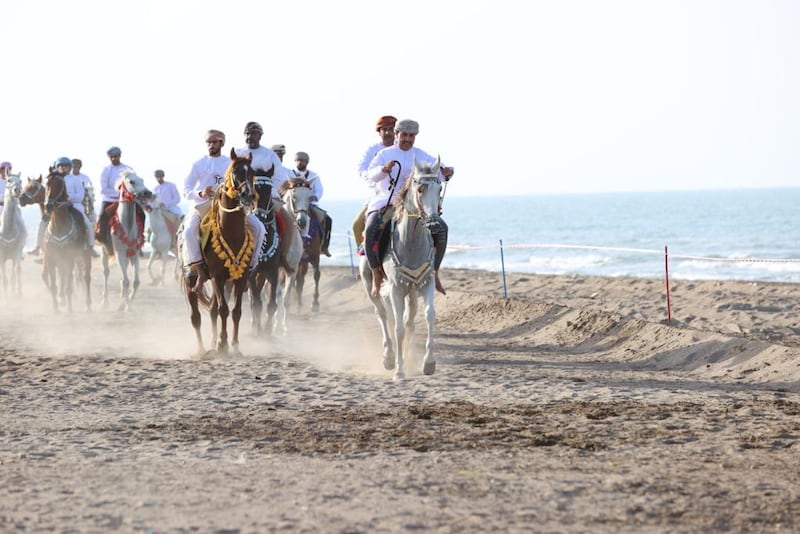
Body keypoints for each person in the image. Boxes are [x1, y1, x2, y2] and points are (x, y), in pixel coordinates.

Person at [365, 118, 454, 297]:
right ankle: (376, 273)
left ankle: (435, 272)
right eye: (404, 135)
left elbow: (439, 170)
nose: (407, 139)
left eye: (411, 136)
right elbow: (370, 175)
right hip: (387, 202)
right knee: (370, 229)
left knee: (442, 229)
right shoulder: (384, 154)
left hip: (413, 206)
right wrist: (383, 170)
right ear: (396, 134)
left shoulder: (421, 155)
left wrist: (447, 172)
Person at [182, 129, 265, 292]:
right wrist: (200, 193)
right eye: (208, 142)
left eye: (214, 142)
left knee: (259, 228)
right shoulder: (198, 163)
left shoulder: (230, 162)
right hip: (203, 204)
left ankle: (250, 268)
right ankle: (199, 272)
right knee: (188, 231)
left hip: (228, 205)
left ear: (221, 143)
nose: (211, 145)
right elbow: (186, 188)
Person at [235, 121, 293, 267]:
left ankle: (282, 257)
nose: (250, 137)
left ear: (260, 136)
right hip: (241, 197)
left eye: (253, 134)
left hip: (266, 196)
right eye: (247, 133)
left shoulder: (270, 155)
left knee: (288, 221)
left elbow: (279, 177)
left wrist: (268, 193)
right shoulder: (238, 153)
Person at [353, 115, 397, 253]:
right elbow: (362, 169)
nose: (388, 132)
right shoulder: (372, 150)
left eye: (391, 129)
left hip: (401, 194)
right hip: (378, 195)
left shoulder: (403, 149)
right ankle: (365, 255)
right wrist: (374, 178)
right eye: (385, 129)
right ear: (379, 132)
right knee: (357, 226)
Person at [292, 151, 332, 256]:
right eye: (298, 160)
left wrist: (315, 197)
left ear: (307, 162)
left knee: (328, 220)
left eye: (302, 160)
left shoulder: (314, 176)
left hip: (310, 204)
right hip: (295, 205)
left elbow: (319, 190)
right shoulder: (290, 175)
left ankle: (324, 246)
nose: (300, 162)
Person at [96, 146, 133, 249]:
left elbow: (133, 184)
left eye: (115, 156)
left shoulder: (128, 169)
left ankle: (138, 241)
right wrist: (120, 193)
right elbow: (104, 189)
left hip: (126, 200)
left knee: (140, 214)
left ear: (120, 156)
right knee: (102, 217)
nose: (113, 159)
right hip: (109, 200)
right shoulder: (106, 170)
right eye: (111, 157)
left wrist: (126, 194)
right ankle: (102, 237)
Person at [62, 157, 97, 255]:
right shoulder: (61, 178)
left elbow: (81, 196)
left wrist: (68, 197)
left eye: (77, 167)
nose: (75, 168)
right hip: (62, 206)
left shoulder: (82, 178)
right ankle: (44, 250)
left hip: (77, 205)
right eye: (73, 167)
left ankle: (90, 246)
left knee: (89, 225)